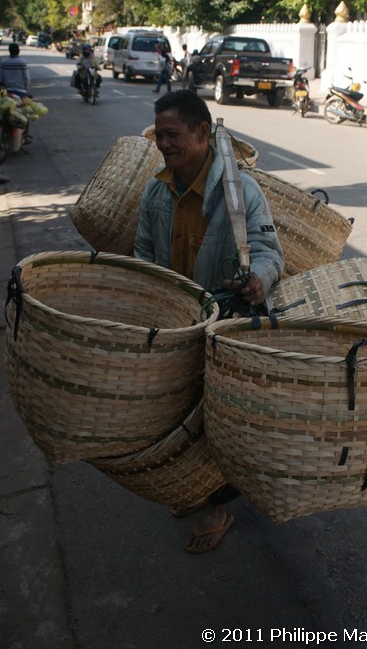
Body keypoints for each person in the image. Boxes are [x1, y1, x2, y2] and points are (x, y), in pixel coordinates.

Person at [134, 90, 284, 554]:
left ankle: (217, 505)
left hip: (225, 327)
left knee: (219, 422)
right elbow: (142, 253)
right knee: (180, 417)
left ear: (203, 133)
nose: (163, 144)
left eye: (172, 135)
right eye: (159, 135)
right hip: (175, 326)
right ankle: (196, 487)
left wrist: (258, 279)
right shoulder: (158, 189)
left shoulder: (242, 193)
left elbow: (270, 254)